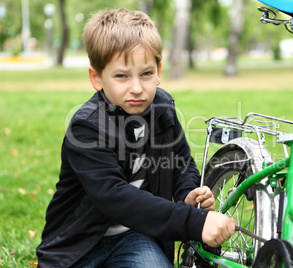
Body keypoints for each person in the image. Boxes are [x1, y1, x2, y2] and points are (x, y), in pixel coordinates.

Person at [36, 8, 236, 268]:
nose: (137, 88)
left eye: (146, 74)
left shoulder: (163, 109)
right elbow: (114, 197)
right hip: (78, 243)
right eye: (121, 76)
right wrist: (195, 222)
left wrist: (188, 193)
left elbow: (181, 162)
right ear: (96, 77)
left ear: (159, 71)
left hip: (134, 236)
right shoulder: (87, 127)